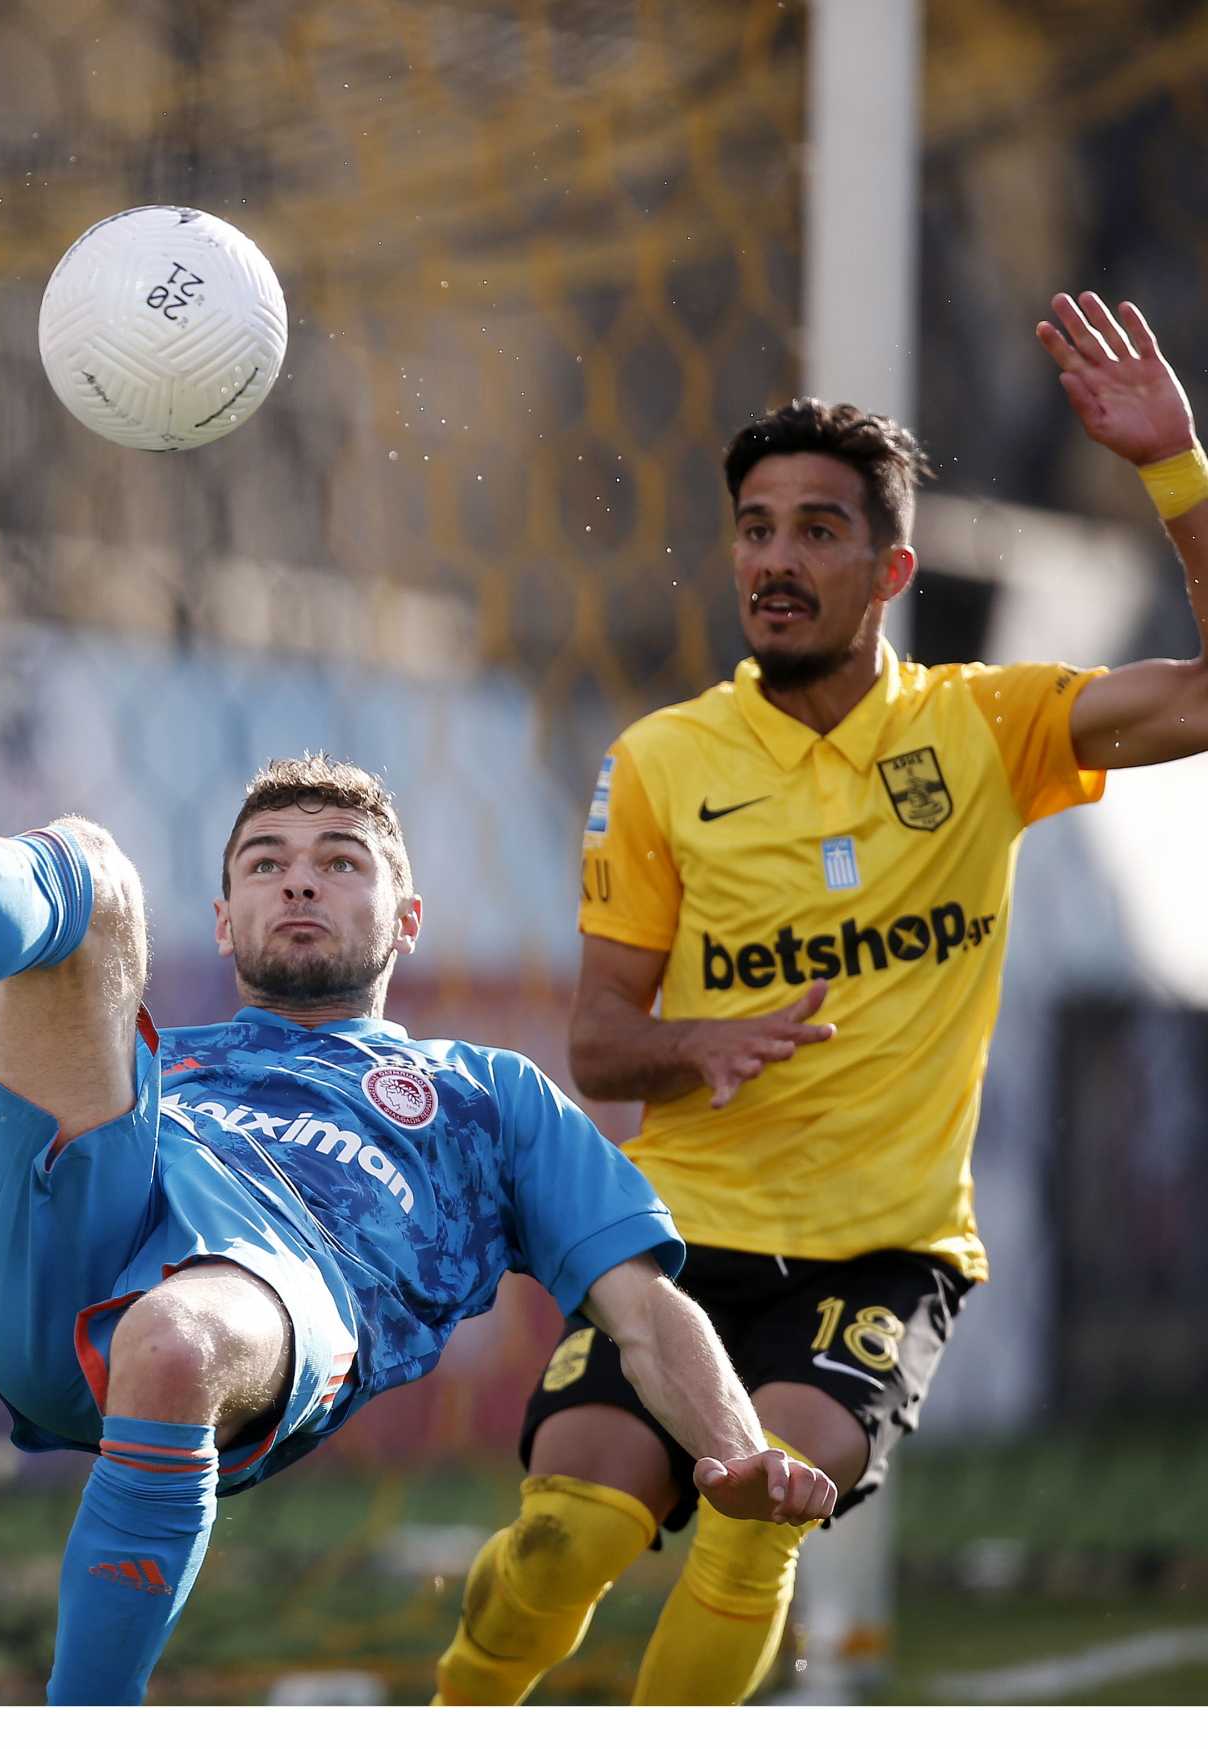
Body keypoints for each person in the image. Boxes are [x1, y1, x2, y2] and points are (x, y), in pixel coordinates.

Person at [0, 753, 835, 1704]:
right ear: (224, 923)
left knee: (172, 1336)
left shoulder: (485, 1093)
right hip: (63, 1271)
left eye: (341, 862)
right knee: (94, 870)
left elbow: (642, 1304)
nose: (301, 884)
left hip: (274, 1299)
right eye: (266, 867)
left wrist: (733, 1451)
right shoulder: (167, 1062)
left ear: (406, 918)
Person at [439, 291, 1208, 1705]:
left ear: (891, 566)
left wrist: (1179, 477)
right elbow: (600, 1044)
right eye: (755, 528)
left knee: (759, 1500)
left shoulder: (989, 728)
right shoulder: (664, 762)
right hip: (675, 1244)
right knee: (565, 1538)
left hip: (878, 1258)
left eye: (818, 530)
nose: (776, 561)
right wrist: (697, 1042)